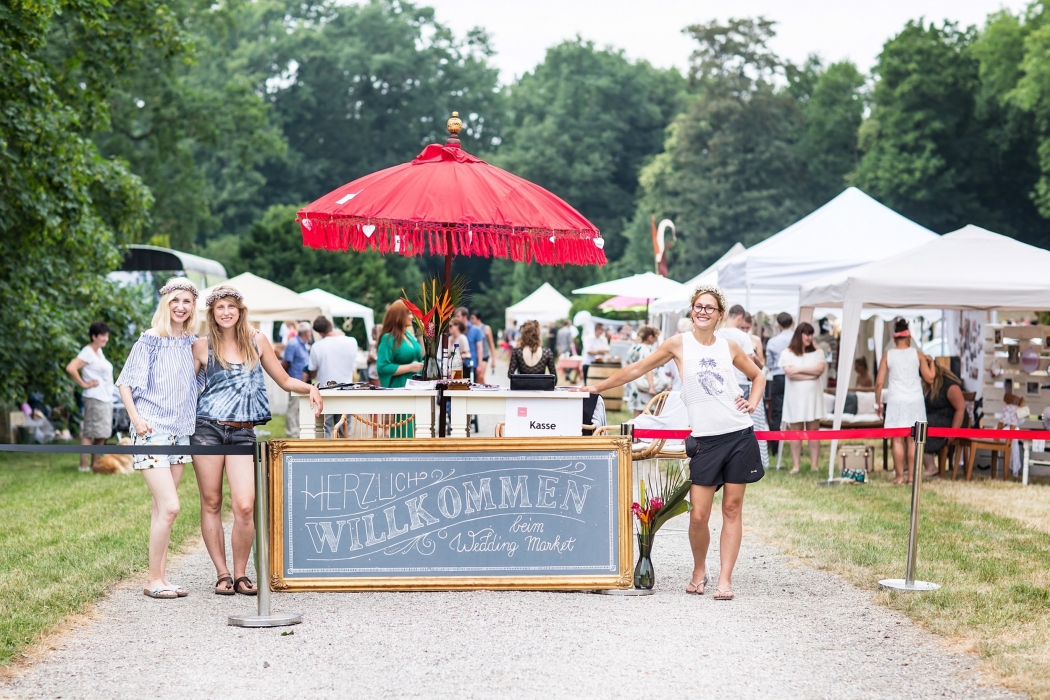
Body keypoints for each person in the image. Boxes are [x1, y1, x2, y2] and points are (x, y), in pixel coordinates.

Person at [579, 285, 764, 601]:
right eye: (698, 306)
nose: (703, 311)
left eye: (709, 307)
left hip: (738, 436)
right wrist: (594, 387)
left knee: (732, 508)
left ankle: (725, 580)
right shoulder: (678, 344)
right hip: (705, 440)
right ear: (692, 311)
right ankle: (699, 570)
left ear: (720, 314)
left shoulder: (729, 346)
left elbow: (758, 376)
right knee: (698, 515)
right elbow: (637, 369)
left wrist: (753, 403)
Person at [191, 286, 322, 596]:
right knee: (211, 502)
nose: (225, 312)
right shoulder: (200, 346)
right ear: (212, 313)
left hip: (242, 431)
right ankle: (222, 573)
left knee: (245, 505)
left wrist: (311, 389)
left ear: (240, 310)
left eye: (231, 306)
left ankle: (240, 573)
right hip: (207, 430)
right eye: (220, 307)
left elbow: (285, 380)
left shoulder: (256, 341)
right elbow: (183, 392)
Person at [116, 278, 201, 600]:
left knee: (159, 509)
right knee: (171, 507)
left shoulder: (192, 343)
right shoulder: (150, 340)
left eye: (188, 302)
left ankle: (161, 578)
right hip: (152, 432)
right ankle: (153, 579)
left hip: (181, 433)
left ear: (194, 307)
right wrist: (136, 420)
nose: (181, 306)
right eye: (176, 300)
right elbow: (125, 383)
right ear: (166, 303)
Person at [876, 319, 934, 484]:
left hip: (896, 401)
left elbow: (879, 383)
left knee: (897, 440)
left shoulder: (888, 355)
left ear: (894, 339)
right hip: (915, 399)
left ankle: (900, 476)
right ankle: (912, 478)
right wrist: (932, 363)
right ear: (909, 338)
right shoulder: (918, 354)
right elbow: (930, 378)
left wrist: (877, 403)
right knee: (913, 440)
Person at [718, 307, 769, 469]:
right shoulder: (743, 337)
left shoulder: (717, 334)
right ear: (740, 317)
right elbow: (752, 366)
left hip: (720, 385)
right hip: (741, 385)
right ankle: (753, 461)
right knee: (750, 425)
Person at [66, 321, 113, 472]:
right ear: (94, 336)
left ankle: (96, 464)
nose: (106, 338)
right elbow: (71, 368)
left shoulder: (99, 352)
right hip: (94, 397)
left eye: (106, 336)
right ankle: (84, 466)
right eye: (102, 336)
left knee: (101, 432)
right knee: (90, 432)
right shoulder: (87, 352)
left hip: (105, 397)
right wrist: (84, 384)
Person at [779, 322, 826, 474]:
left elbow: (820, 370)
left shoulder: (818, 352)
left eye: (811, 334)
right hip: (795, 398)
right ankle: (796, 465)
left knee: (814, 431)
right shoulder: (787, 353)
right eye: (806, 334)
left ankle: (814, 465)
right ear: (799, 335)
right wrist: (810, 374)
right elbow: (789, 374)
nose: (809, 337)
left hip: (813, 397)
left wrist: (799, 369)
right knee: (795, 432)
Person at [922, 362, 968, 477]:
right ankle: (912, 464)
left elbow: (960, 409)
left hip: (953, 420)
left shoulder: (949, 386)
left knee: (923, 426)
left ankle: (931, 467)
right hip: (936, 419)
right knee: (918, 425)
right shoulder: (928, 385)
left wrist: (953, 431)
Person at [764, 313, 793, 456]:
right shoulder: (796, 338)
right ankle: (796, 446)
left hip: (778, 376)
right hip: (795, 376)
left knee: (776, 412)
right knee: (795, 412)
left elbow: (769, 363)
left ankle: (775, 447)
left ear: (779, 325)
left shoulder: (773, 341)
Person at [281, 321, 312, 438]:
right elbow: (285, 363)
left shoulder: (304, 344)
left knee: (300, 408)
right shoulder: (293, 344)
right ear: (307, 332)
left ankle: (298, 432)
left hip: (302, 381)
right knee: (293, 408)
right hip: (294, 381)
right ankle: (291, 433)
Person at [624, 326, 664, 416]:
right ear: (650, 337)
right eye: (655, 337)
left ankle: (637, 429)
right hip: (644, 385)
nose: (655, 340)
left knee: (637, 410)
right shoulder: (647, 349)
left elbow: (627, 365)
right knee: (649, 410)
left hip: (634, 384)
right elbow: (648, 369)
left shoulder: (633, 348)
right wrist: (651, 387)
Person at [456, 306, 484, 383]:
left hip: (471, 364)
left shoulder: (476, 330)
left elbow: (479, 348)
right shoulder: (455, 330)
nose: (456, 319)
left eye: (458, 316)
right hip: (458, 365)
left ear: (465, 317)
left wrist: (479, 365)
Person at [471, 311, 497, 380]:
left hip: (484, 356)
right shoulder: (471, 329)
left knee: (480, 376)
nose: (471, 320)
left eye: (473, 318)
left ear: (478, 318)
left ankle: (487, 390)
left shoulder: (486, 328)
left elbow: (491, 344)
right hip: (474, 356)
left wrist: (493, 359)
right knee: (475, 379)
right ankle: (484, 389)